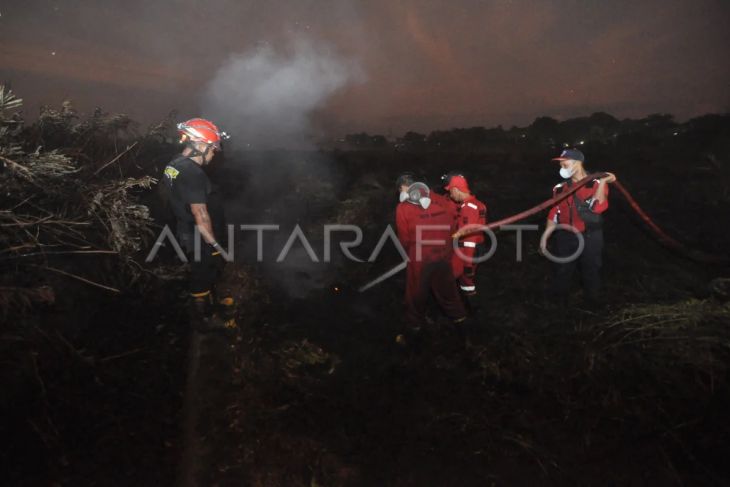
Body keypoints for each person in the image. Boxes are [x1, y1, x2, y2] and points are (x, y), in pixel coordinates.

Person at [163, 118, 234, 326]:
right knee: (202, 273)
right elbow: (200, 215)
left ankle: (212, 301)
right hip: (198, 234)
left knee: (206, 269)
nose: (213, 155)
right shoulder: (194, 174)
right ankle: (204, 319)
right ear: (200, 145)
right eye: (212, 149)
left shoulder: (174, 164)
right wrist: (215, 245)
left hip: (185, 229)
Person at [395, 174, 468, 345]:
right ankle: (466, 338)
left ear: (403, 189)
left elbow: (404, 239)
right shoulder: (442, 200)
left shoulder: (403, 208)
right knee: (449, 295)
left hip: (420, 258)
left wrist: (410, 254)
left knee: (415, 297)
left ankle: (412, 338)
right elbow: (452, 225)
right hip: (443, 255)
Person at [538, 149, 616, 305]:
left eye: (564, 161)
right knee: (562, 270)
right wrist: (544, 238)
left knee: (591, 270)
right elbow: (555, 213)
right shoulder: (559, 188)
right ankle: (559, 305)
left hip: (590, 235)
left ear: (577, 163)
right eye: (560, 162)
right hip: (565, 235)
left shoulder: (595, 182)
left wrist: (602, 182)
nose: (561, 165)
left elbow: (598, 207)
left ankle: (592, 304)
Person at [442, 173, 488, 312]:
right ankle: (472, 309)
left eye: (450, 191)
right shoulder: (477, 204)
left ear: (456, 189)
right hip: (471, 249)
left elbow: (469, 238)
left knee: (447, 278)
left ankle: (455, 310)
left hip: (467, 251)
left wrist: (467, 263)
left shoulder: (468, 208)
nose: (450, 195)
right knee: (465, 282)